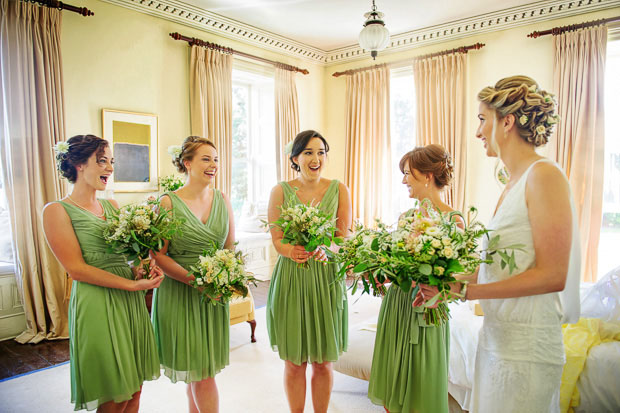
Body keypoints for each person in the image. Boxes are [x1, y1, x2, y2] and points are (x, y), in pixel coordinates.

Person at [419, 75, 580, 413]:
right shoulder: (511, 184)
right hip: (496, 339)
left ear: (506, 122)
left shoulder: (544, 176)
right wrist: (443, 285)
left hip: (527, 349)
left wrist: (467, 293)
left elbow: (553, 274)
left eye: (482, 119)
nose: (477, 132)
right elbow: (489, 268)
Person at [43, 134, 163, 412]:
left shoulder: (112, 207)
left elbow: (128, 261)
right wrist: (132, 286)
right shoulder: (57, 211)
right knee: (113, 391)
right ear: (78, 164)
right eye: (102, 161)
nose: (109, 168)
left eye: (111, 161)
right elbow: (77, 269)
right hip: (97, 303)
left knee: (134, 388)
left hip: (128, 303)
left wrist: (145, 269)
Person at [266, 130, 352, 413]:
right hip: (293, 278)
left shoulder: (340, 189)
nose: (316, 159)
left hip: (326, 277)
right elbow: (277, 239)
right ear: (295, 158)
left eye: (321, 152)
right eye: (309, 153)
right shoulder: (280, 191)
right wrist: (291, 250)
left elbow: (342, 238)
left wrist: (327, 249)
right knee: (294, 361)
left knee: (323, 361)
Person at [368, 144, 457, 413]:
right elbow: (396, 264)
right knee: (391, 384)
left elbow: (456, 279)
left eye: (408, 173)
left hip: (426, 309)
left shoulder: (453, 220)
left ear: (427, 175)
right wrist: (379, 271)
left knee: (422, 387)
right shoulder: (405, 217)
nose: (404, 180)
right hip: (396, 306)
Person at [152, 136, 235, 413]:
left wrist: (226, 278)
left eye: (215, 159)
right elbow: (158, 255)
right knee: (201, 372)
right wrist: (195, 281)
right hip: (180, 293)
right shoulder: (167, 203)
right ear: (187, 163)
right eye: (205, 159)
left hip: (212, 296)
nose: (213, 165)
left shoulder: (223, 199)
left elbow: (229, 248)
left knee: (200, 370)